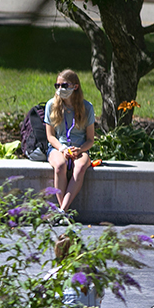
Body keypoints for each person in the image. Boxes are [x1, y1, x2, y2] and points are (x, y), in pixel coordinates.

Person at [44, 69, 96, 213]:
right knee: (60, 166)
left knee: (79, 168)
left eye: (64, 86)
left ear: (75, 86)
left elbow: (90, 139)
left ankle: (61, 211)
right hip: (57, 147)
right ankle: (64, 212)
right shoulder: (51, 105)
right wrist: (62, 149)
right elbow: (50, 136)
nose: (60, 89)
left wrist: (80, 149)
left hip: (79, 148)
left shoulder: (87, 107)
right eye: (57, 86)